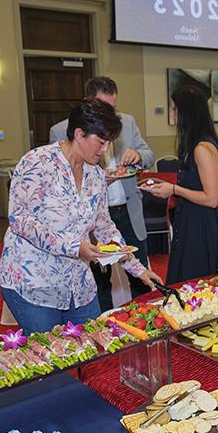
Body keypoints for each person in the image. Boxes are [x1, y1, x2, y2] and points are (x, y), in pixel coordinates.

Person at [0, 99, 162, 333]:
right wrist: (75, 247)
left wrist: (139, 269)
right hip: (33, 282)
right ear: (79, 133)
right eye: (101, 142)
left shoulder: (95, 175)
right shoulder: (37, 163)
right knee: (50, 361)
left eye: (108, 143)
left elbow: (105, 228)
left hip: (79, 283)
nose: (105, 150)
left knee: (91, 351)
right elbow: (20, 221)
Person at [50, 76, 155, 311]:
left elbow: (149, 154)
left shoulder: (127, 122)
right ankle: (104, 322)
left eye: (113, 108)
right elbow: (31, 218)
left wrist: (138, 157)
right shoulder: (55, 138)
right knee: (98, 281)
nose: (106, 147)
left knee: (139, 280)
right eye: (103, 107)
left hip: (125, 210)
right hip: (82, 227)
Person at [142, 85, 218, 284]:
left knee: (194, 284)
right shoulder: (199, 144)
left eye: (174, 109)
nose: (172, 113)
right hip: (193, 221)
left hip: (198, 226)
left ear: (186, 112)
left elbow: (212, 198)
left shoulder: (201, 149)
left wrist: (173, 189)